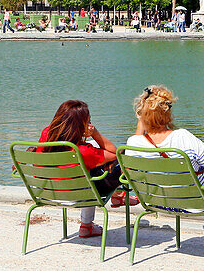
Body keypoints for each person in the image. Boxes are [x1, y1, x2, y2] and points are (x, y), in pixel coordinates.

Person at [125, 85, 204, 250]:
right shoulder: (182, 137)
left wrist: (143, 117)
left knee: (203, 155)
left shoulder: (133, 144)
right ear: (168, 113)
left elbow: (133, 163)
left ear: (142, 115)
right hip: (196, 202)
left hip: (159, 202)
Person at [37, 100, 133, 239]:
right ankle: (88, 224)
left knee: (88, 167)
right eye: (88, 121)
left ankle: (117, 196)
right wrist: (95, 133)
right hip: (79, 196)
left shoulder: (47, 133)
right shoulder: (83, 152)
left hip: (49, 192)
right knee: (124, 156)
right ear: (80, 125)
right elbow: (114, 153)